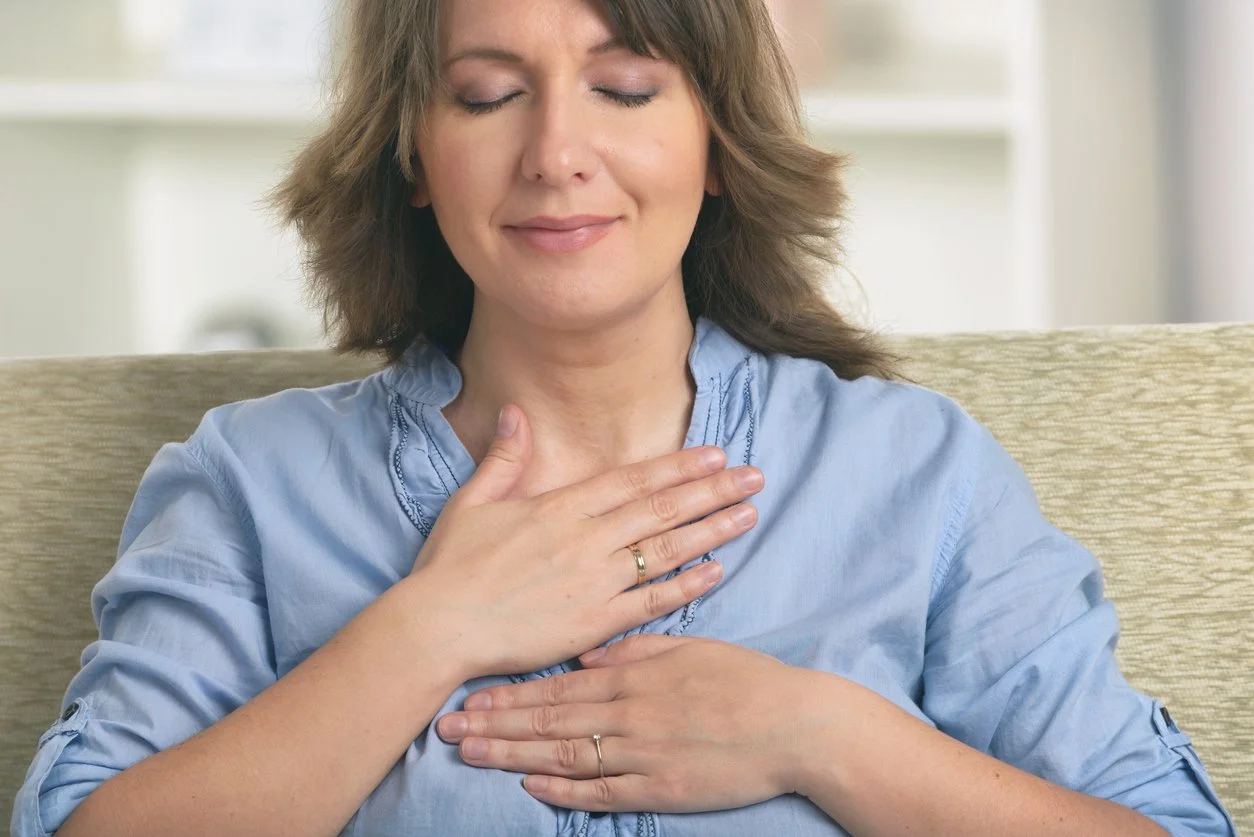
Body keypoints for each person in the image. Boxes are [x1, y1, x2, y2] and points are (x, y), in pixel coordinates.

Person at [10, 0, 1238, 835]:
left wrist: (829, 738)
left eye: (627, 86)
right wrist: (424, 634)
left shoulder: (916, 474)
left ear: (716, 145)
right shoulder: (248, 484)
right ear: (412, 158)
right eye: (488, 96)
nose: (557, 150)